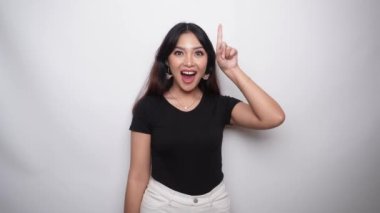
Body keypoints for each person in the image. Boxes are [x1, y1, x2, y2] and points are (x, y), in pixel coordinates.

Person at [124, 22, 285, 213]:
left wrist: (232, 70)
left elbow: (274, 117)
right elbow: (137, 176)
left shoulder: (220, 105)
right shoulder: (148, 108)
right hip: (163, 205)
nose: (189, 62)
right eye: (179, 52)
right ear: (167, 61)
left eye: (198, 53)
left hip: (214, 205)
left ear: (208, 63)